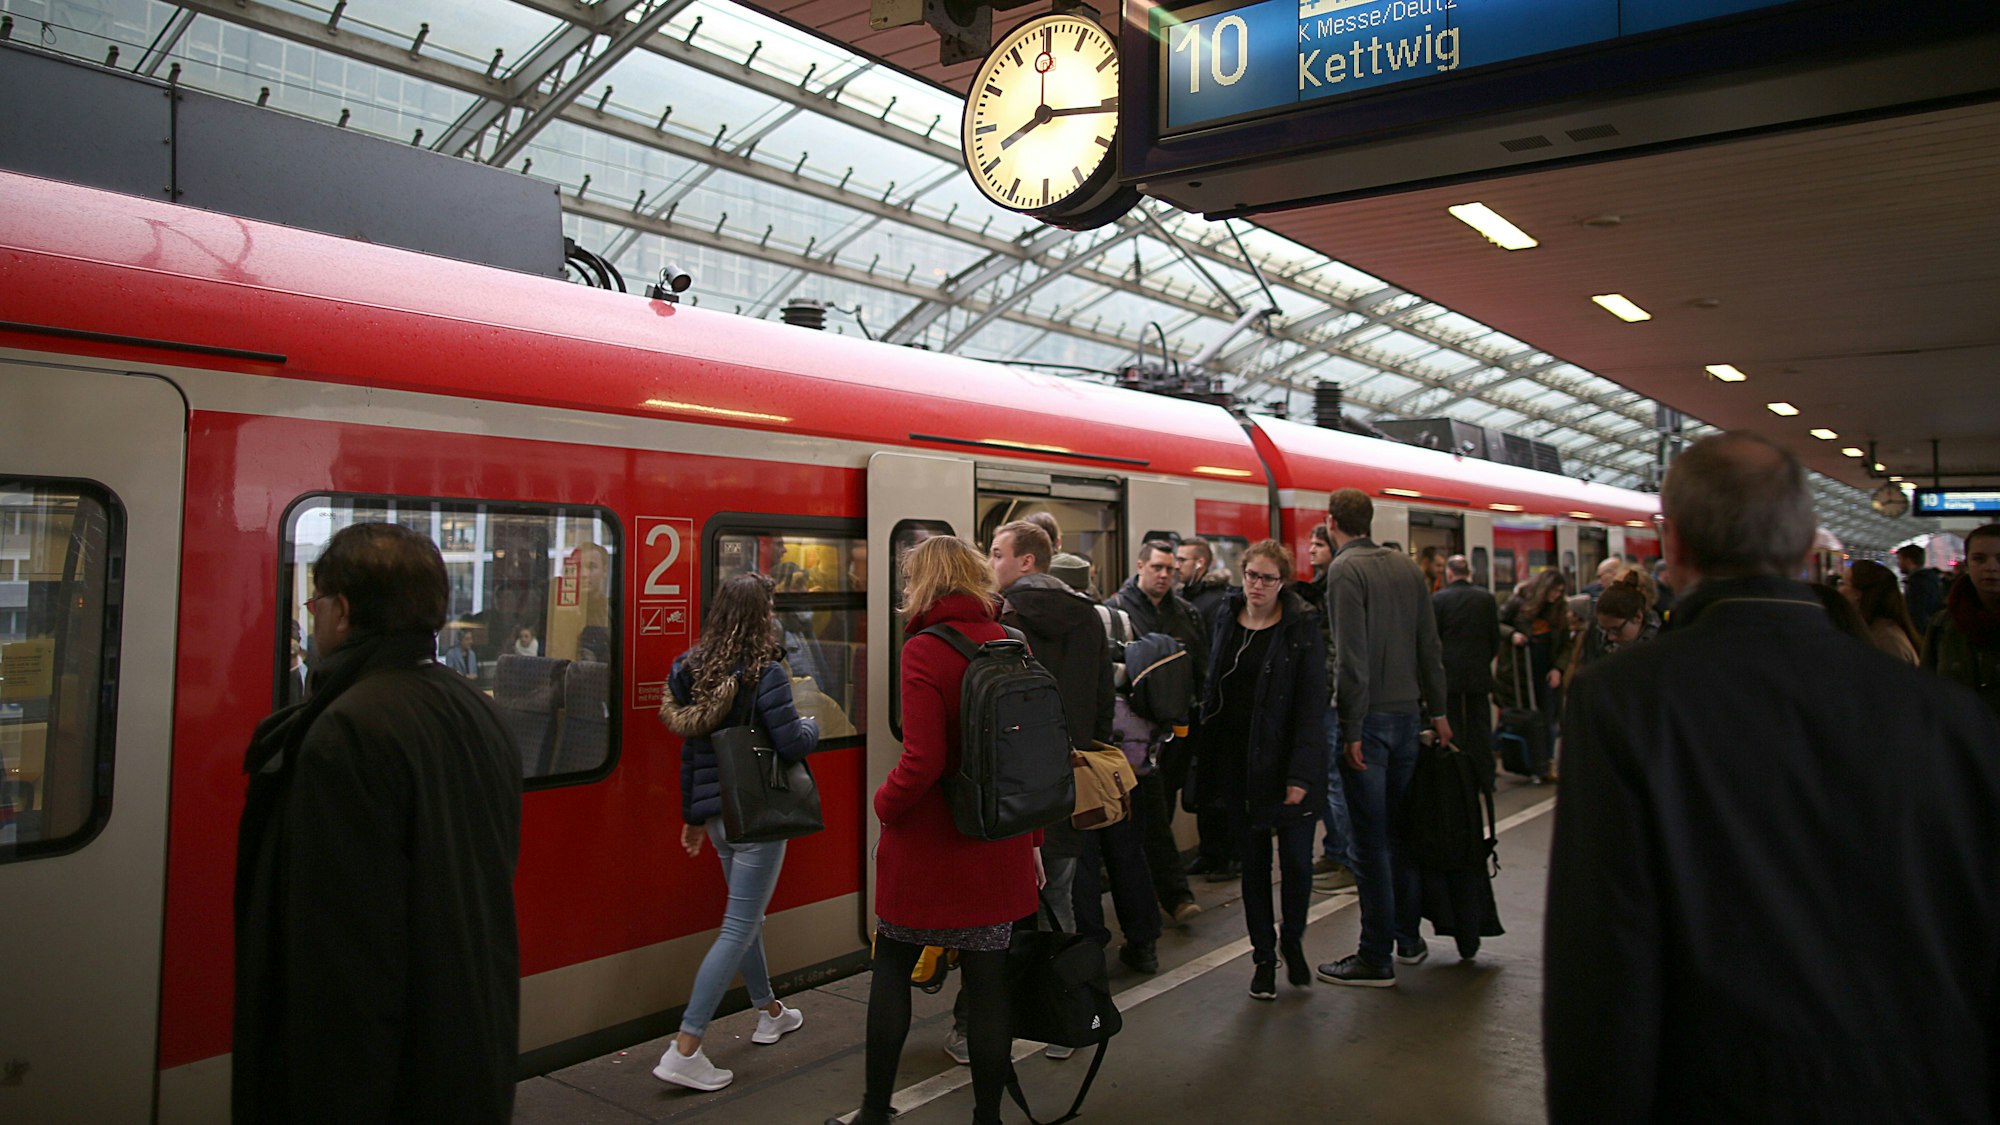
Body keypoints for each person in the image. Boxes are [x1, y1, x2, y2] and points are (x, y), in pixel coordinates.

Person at [1547, 434, 2000, 1121]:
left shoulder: (1624, 701)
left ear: (1677, 547)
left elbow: (1605, 962)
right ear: (1801, 552)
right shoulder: (1952, 717)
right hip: (1924, 1089)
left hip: (1722, 1093)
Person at [235, 523, 521, 1122]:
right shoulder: (478, 711)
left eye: (315, 606)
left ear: (341, 611)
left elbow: (345, 959)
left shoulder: (346, 731)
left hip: (387, 1082)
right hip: (469, 1047)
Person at [838, 536, 1039, 1125]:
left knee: (894, 968)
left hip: (930, 844)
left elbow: (921, 762)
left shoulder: (924, 650)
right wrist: (1032, 842)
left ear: (921, 584)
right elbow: (1028, 758)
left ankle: (875, 1112)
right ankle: (987, 1116)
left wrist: (884, 804)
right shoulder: (1011, 642)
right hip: (997, 839)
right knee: (988, 982)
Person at [653, 573, 821, 1092]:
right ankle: (687, 1046)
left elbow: (692, 754)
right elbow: (792, 743)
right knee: (737, 927)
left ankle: (770, 1011)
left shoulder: (689, 669)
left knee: (745, 920)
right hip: (757, 816)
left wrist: (692, 818)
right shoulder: (763, 673)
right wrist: (813, 724)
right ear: (760, 614)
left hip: (719, 817)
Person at [989, 521, 1161, 978]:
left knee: (1010, 903)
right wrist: (1084, 748)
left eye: (996, 553)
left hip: (1018, 784)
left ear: (1026, 561)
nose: (991, 563)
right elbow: (1104, 696)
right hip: (1070, 775)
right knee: (1061, 895)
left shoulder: (1005, 620)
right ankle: (1070, 999)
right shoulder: (1089, 615)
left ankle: (1014, 999)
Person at [1317, 490, 1451, 987]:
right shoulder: (1407, 568)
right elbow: (1428, 646)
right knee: (1400, 834)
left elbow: (1352, 658)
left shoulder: (1344, 571)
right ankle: (1408, 939)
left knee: (1368, 842)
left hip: (1368, 723)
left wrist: (1350, 726)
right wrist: (1437, 710)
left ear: (1331, 523)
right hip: (1408, 718)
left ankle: (1375, 956)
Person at [1193, 540, 1327, 998]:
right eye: (1251, 575)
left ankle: (1293, 938)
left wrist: (1301, 776)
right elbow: (1213, 688)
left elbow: (1312, 708)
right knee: (1252, 866)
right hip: (1238, 763)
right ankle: (1263, 958)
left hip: (1286, 764)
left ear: (1283, 582)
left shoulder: (1302, 627)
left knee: (1295, 864)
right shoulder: (1226, 618)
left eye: (1268, 578)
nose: (1257, 586)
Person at [1104, 539, 1210, 925]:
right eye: (1158, 568)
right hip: (1138, 738)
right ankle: (1172, 896)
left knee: (1160, 812)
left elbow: (1201, 668)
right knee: (1150, 817)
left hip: (1178, 731)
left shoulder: (1186, 614)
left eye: (1171, 570)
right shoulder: (1118, 611)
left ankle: (1158, 898)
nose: (1164, 575)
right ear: (1140, 566)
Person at [1294, 523, 1356, 894]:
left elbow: (1334, 646)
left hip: (1328, 695)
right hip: (1323, 692)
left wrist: (1325, 689)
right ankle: (1335, 849)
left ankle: (1346, 857)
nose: (1311, 550)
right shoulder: (1321, 585)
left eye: (1319, 544)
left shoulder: (1334, 586)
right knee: (1327, 776)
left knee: (1333, 777)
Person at [1174, 534, 1240, 880]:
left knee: (1216, 783)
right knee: (1202, 780)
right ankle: (1209, 851)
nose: (1176, 566)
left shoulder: (1215, 603)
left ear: (1200, 563)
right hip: (1200, 705)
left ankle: (1226, 855)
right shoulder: (1187, 600)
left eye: (1182, 560)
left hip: (1215, 707)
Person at [1432, 555, 1499, 795]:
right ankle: (1485, 778)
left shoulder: (1439, 599)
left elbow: (1434, 640)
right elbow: (1494, 638)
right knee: (1480, 726)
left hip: (1448, 675)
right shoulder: (1486, 598)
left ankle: (1457, 780)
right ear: (1468, 572)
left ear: (1449, 574)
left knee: (1453, 728)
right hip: (1478, 674)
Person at [1496, 570, 1572, 782]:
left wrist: (1558, 668)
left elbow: (1566, 645)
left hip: (1547, 672)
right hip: (1520, 672)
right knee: (1520, 715)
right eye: (1553, 590)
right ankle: (1511, 754)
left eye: (1560, 592)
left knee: (1548, 718)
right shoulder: (1518, 602)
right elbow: (1497, 623)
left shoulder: (1559, 610)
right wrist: (1512, 635)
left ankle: (1545, 763)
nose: (1556, 596)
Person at [1922, 523, 2000, 717]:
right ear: (1967, 563)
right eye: (1979, 559)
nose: (1991, 567)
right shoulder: (1943, 625)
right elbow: (1927, 689)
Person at [1568, 571, 1661, 676]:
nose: (1610, 637)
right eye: (1605, 630)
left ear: (1637, 617)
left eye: (1616, 630)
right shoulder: (1597, 638)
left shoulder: (1663, 643)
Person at [1843, 558, 1922, 665]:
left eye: (1844, 583)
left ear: (1858, 594)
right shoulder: (1879, 631)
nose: (1840, 589)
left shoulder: (1886, 640)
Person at [1896, 542, 1947, 640]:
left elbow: (1917, 614)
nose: (1898, 564)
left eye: (1900, 559)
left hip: (1923, 635)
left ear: (1908, 560)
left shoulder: (1917, 582)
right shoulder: (1930, 578)